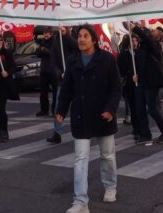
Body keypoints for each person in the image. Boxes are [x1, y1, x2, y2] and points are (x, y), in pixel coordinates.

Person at [56, 25, 121, 213]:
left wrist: (110, 109)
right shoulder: (73, 60)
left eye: (85, 36)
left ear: (94, 39)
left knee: (107, 155)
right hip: (81, 115)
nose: (81, 39)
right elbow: (67, 88)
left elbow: (116, 88)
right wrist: (61, 109)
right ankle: (80, 202)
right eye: (79, 36)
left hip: (103, 115)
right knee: (80, 158)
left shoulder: (107, 59)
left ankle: (110, 186)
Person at [131, 25, 163, 145]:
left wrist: (135, 28)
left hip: (152, 81)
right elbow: (140, 64)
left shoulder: (153, 45)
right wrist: (136, 75)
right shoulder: (141, 48)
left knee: (152, 109)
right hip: (142, 80)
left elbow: (147, 38)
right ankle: (145, 134)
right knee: (139, 108)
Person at [45, 26, 77, 144]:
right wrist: (60, 73)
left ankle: (83, 129)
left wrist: (66, 35)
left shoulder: (74, 38)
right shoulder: (56, 43)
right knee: (59, 107)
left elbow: (77, 48)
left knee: (79, 106)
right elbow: (53, 62)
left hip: (76, 80)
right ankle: (57, 133)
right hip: (62, 82)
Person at [36, 28, 60, 117]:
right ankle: (44, 110)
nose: (46, 35)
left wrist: (46, 51)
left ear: (51, 34)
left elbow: (54, 54)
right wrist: (40, 50)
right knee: (43, 92)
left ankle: (55, 110)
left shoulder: (55, 42)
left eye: (47, 33)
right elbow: (38, 54)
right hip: (44, 70)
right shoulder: (42, 42)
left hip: (53, 70)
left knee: (55, 92)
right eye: (45, 33)